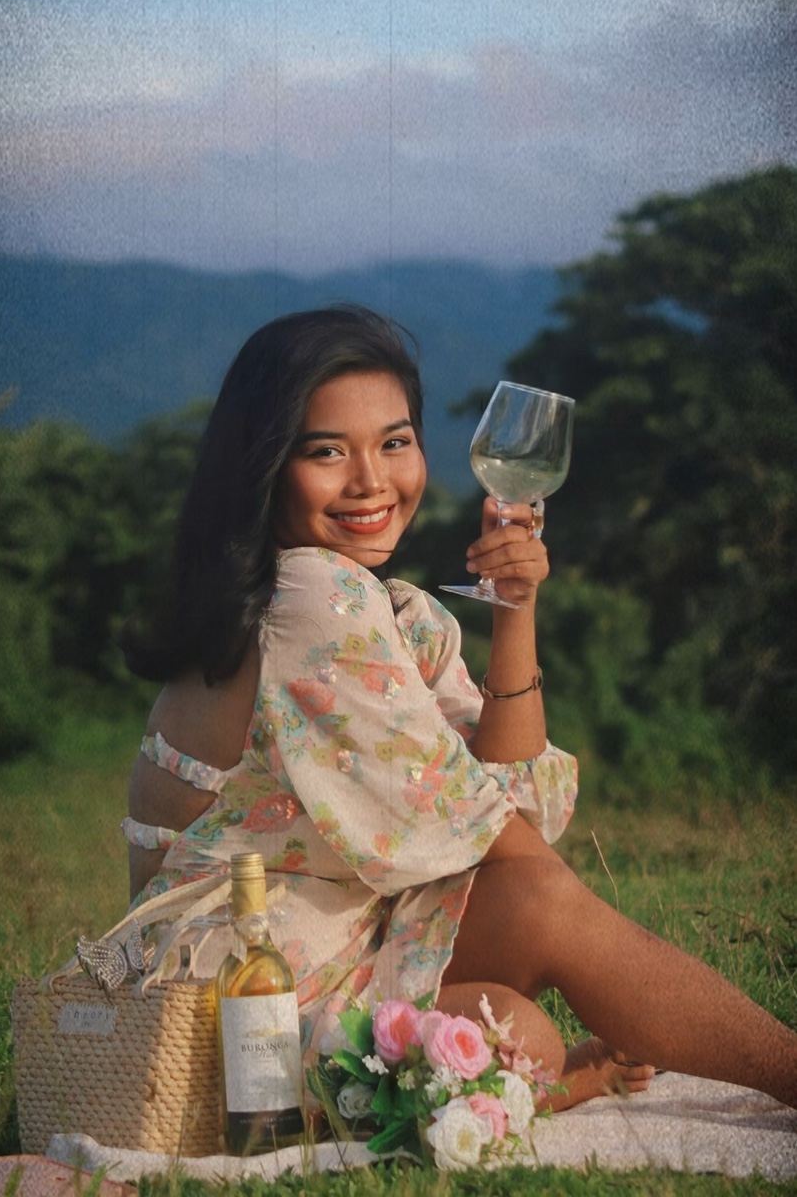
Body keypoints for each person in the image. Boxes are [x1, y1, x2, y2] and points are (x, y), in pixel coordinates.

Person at [122, 306, 797, 1112]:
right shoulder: (310, 599)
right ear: (265, 464)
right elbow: (506, 849)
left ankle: (557, 1082)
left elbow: (518, 805)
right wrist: (567, 929)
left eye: (394, 442)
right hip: (231, 995)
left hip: (340, 949)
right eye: (326, 451)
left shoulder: (394, 610)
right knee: (530, 959)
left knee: (520, 1023)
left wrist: (514, 607)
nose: (371, 480)